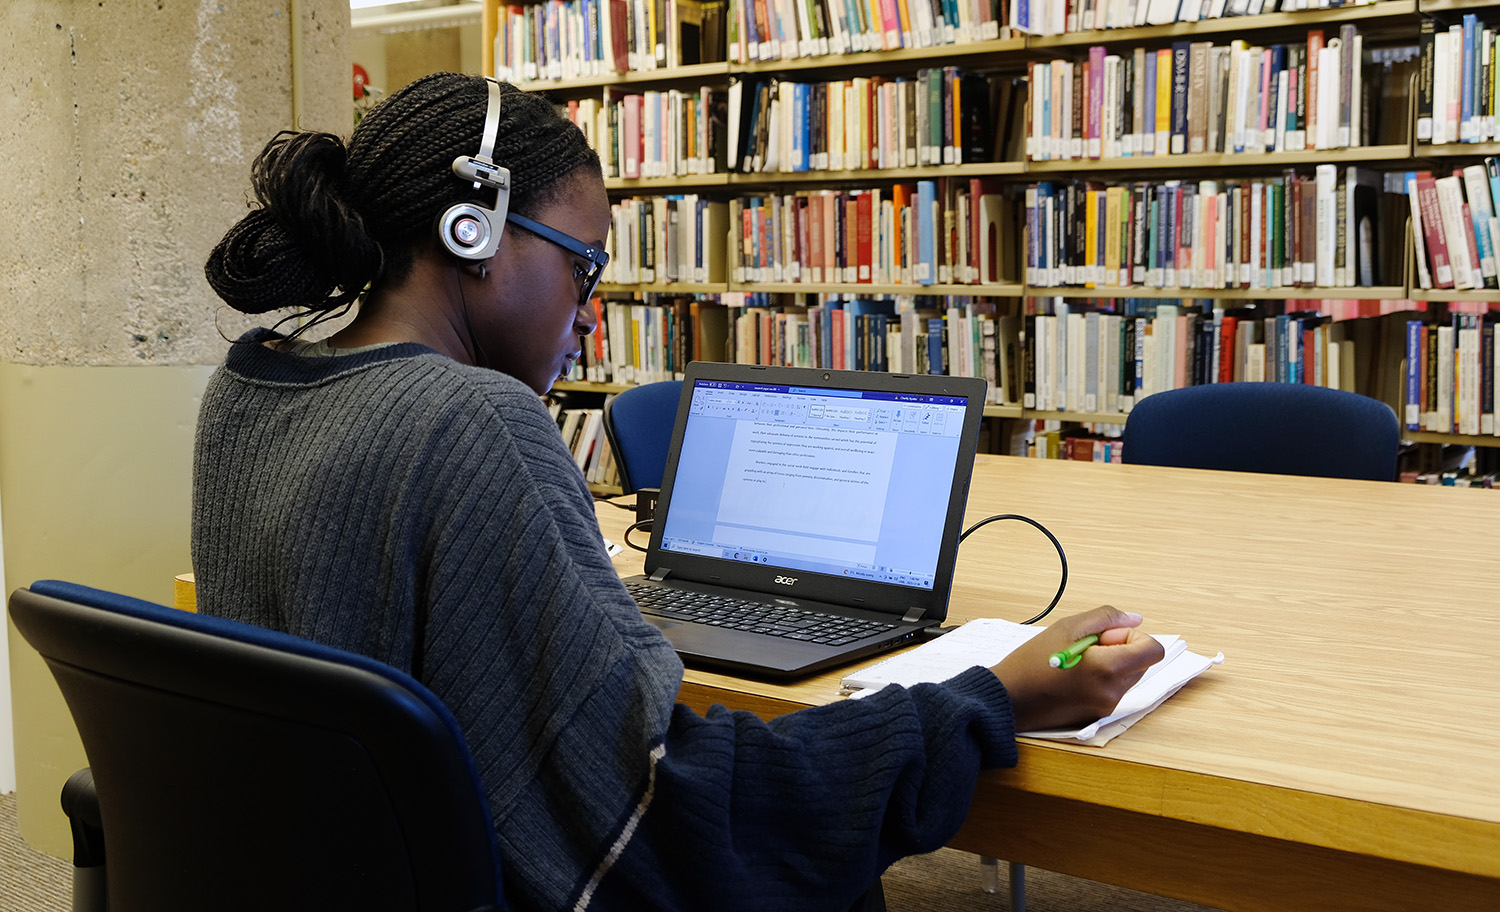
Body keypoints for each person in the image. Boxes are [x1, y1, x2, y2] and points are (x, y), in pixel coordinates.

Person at [192, 72, 1165, 912]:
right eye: (584, 266)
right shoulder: (473, 420)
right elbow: (685, 814)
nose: (589, 314)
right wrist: (993, 695)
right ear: (475, 227)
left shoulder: (249, 388)